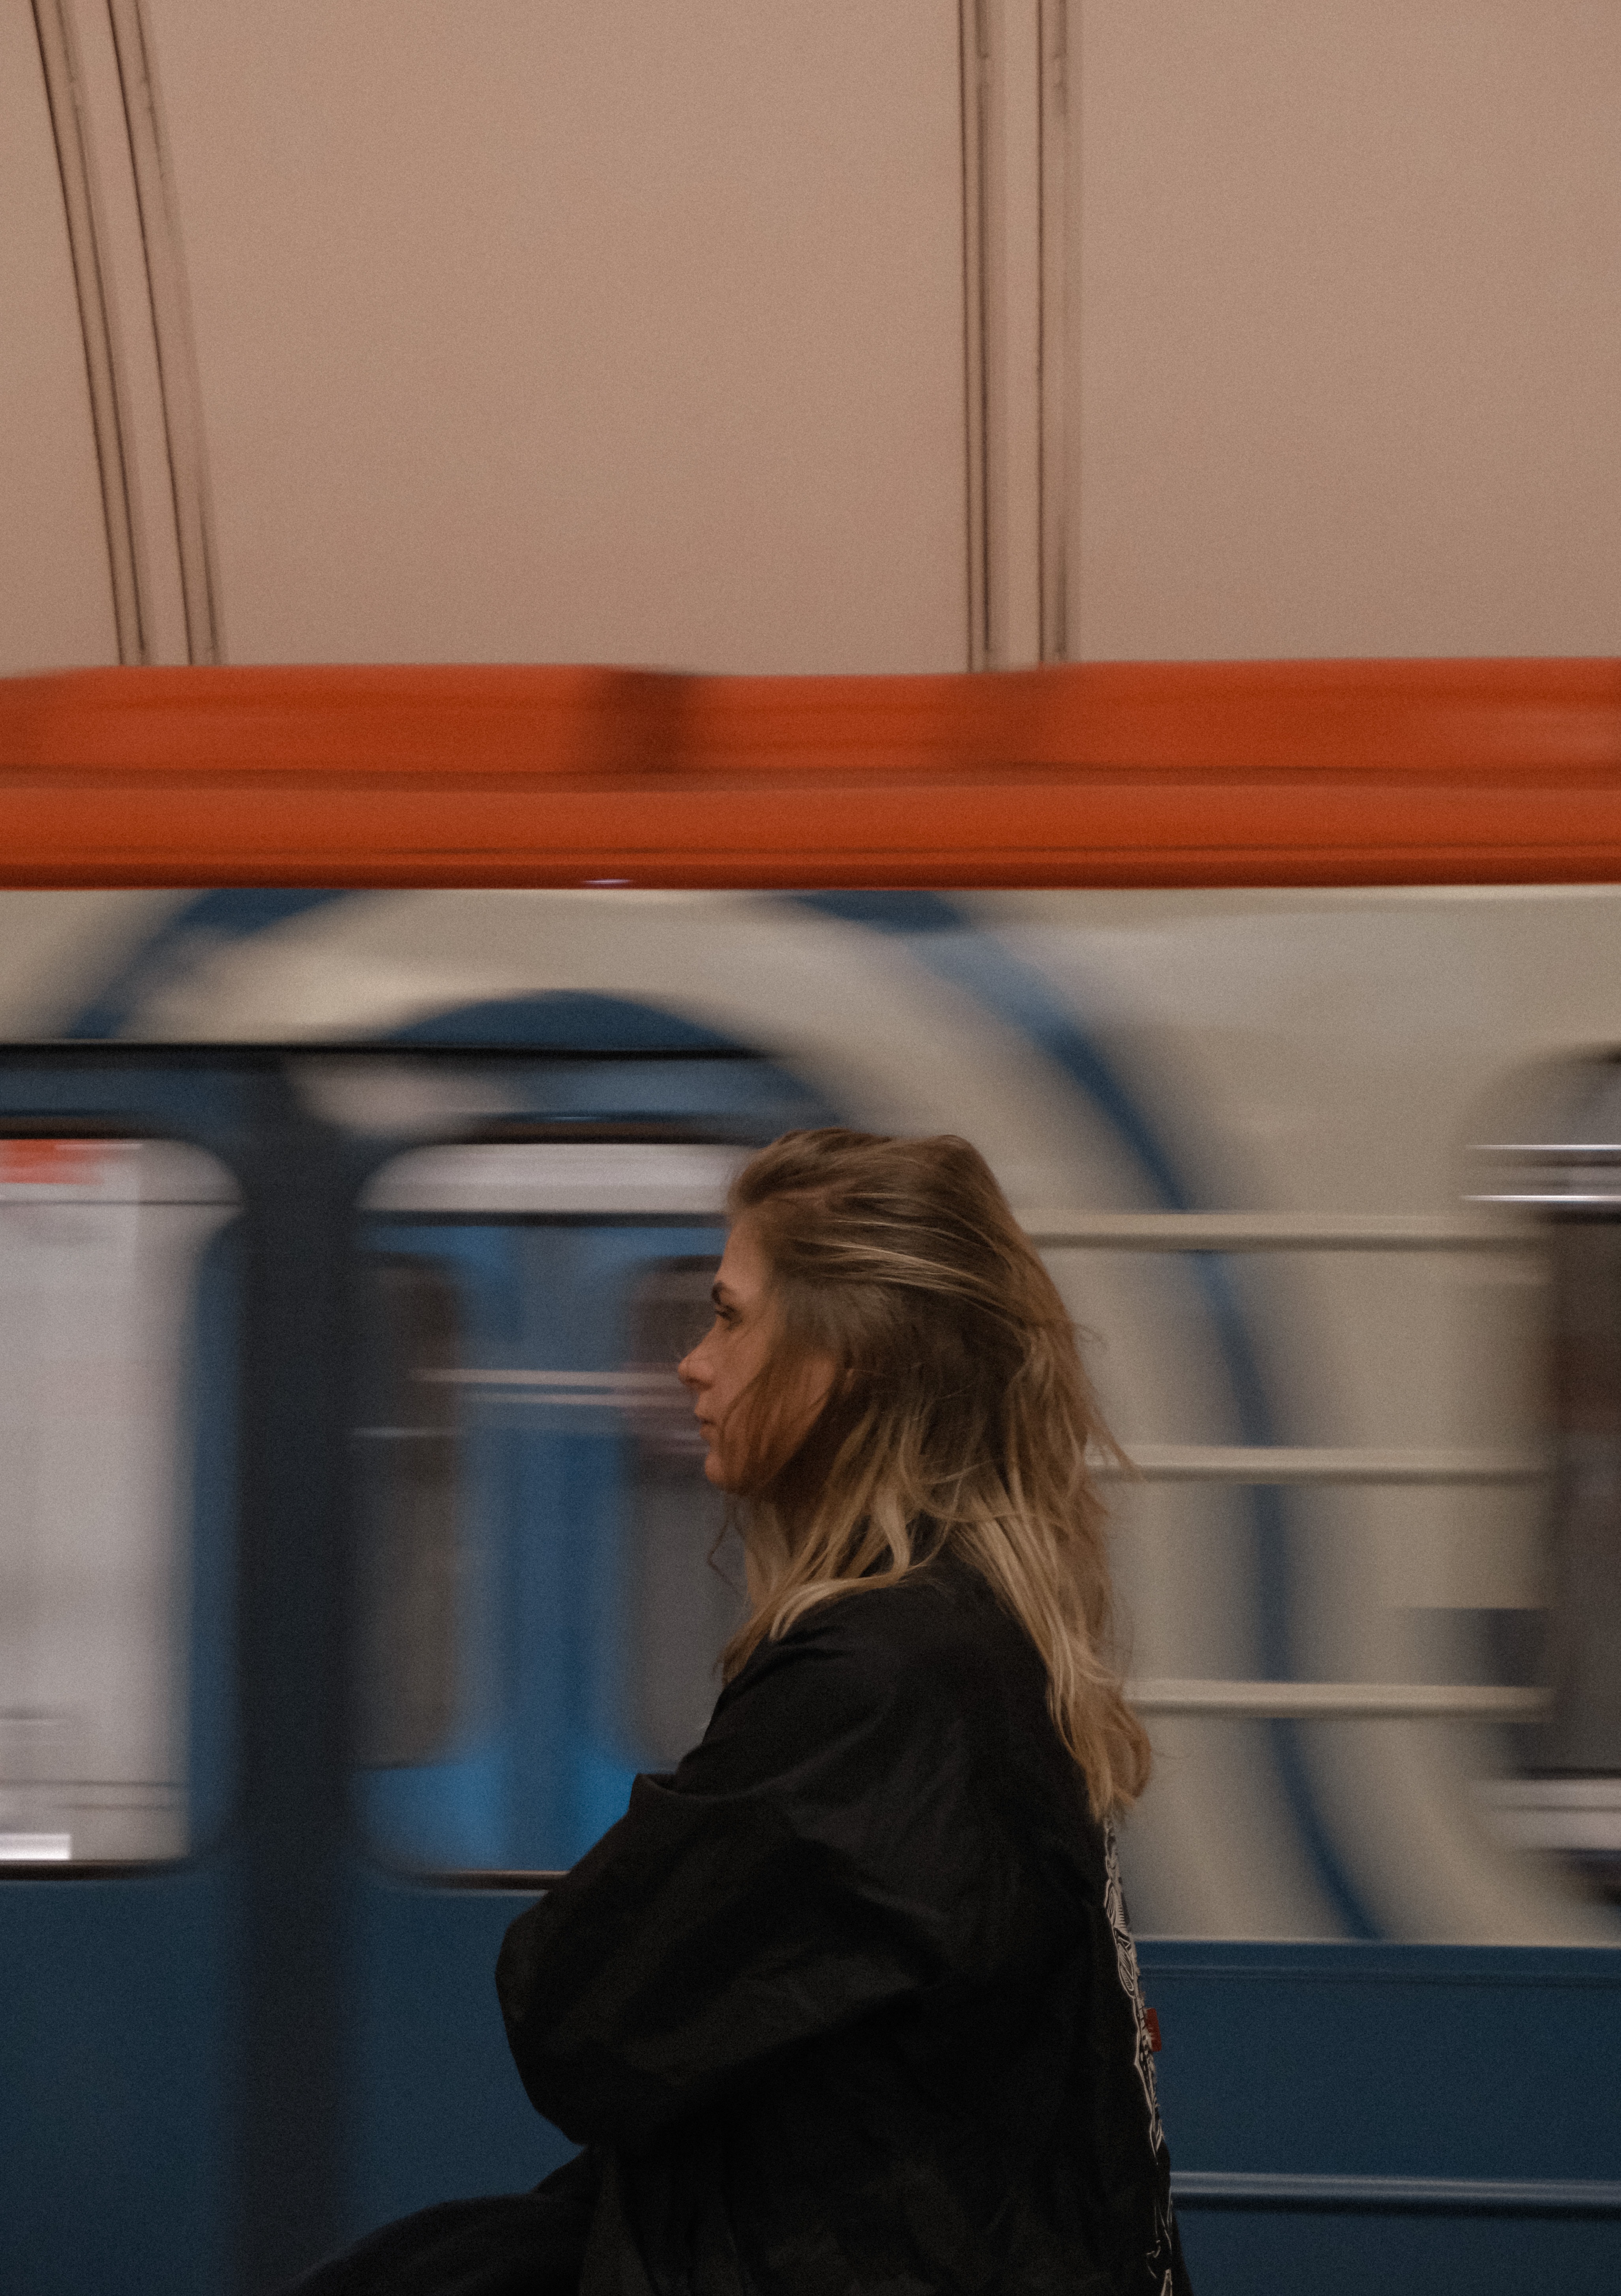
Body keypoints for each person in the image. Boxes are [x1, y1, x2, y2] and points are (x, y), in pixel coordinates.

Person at [288, 1127, 1190, 2295]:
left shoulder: (879, 1688)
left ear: (842, 1357)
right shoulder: (976, 1647)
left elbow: (578, 2014)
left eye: (727, 1316)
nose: (690, 1364)